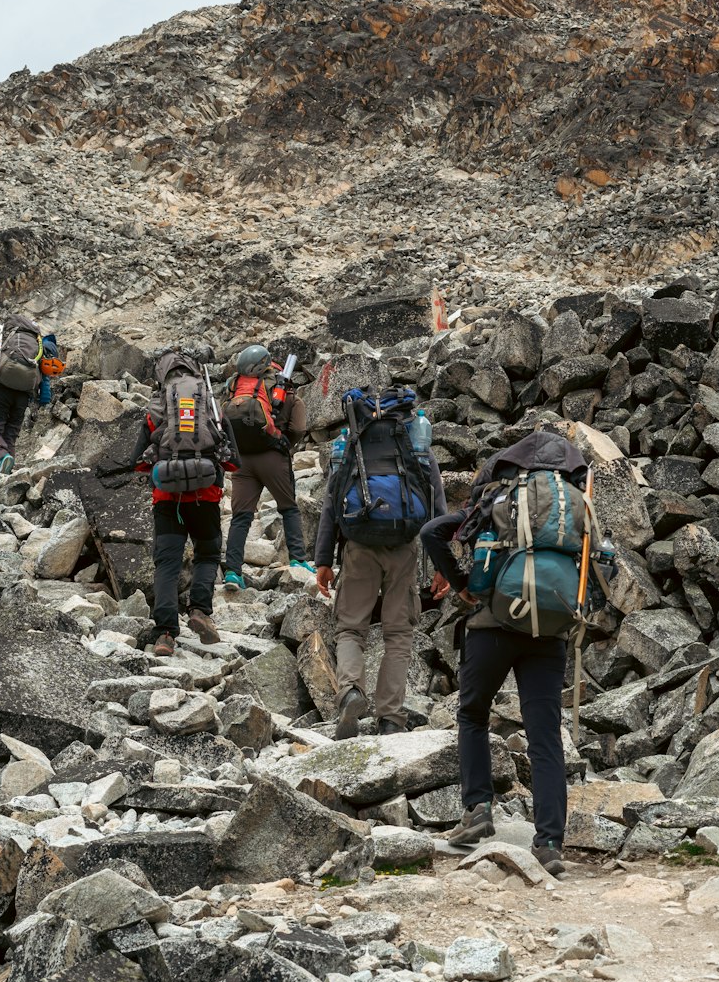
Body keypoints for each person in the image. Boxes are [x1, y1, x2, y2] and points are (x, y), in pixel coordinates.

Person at [420, 427, 590, 876]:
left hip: (492, 627)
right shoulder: (572, 504)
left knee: (473, 714)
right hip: (549, 631)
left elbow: (434, 533)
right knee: (545, 735)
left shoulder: (498, 498)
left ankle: (478, 811)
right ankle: (550, 842)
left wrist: (461, 586)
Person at [315, 392, 447, 739]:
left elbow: (331, 505)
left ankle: (351, 692)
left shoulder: (350, 444)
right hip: (403, 547)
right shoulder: (415, 445)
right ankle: (390, 717)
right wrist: (442, 563)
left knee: (350, 628)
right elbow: (437, 506)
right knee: (399, 635)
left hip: (358, 545)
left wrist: (323, 561)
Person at [131, 348, 240, 658]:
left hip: (167, 499)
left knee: (167, 565)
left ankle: (164, 634)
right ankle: (200, 611)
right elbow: (234, 463)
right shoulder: (210, 407)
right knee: (207, 555)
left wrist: (163, 464)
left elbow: (136, 463)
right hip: (206, 497)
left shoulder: (156, 408)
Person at [222, 344, 314, 588]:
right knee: (289, 509)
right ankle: (297, 560)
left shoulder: (234, 388)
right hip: (273, 456)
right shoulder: (281, 386)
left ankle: (232, 571)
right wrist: (285, 443)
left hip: (241, 461)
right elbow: (298, 428)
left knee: (241, 517)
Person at [0, 322, 60, 474]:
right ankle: (7, 472)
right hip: (23, 395)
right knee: (11, 433)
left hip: (0, 390)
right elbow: (44, 379)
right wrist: (42, 401)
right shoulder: (34, 350)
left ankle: (2, 457)